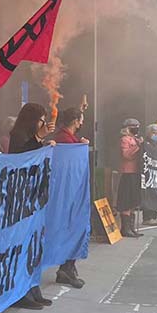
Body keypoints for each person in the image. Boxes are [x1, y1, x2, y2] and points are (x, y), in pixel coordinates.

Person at [9, 103, 58, 306]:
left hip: (34, 195)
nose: (43, 124)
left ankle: (32, 285)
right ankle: (21, 291)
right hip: (21, 196)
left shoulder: (31, 136)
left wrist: (44, 145)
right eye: (40, 119)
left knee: (34, 243)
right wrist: (39, 139)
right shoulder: (18, 135)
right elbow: (21, 157)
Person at [49, 106, 89, 288]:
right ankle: (66, 268)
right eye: (81, 119)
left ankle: (68, 267)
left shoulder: (69, 139)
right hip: (67, 193)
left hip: (73, 191)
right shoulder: (63, 140)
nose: (82, 123)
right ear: (75, 121)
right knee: (71, 228)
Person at [117, 118, 145, 237]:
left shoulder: (135, 139)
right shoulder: (124, 140)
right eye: (134, 126)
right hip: (128, 172)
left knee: (133, 200)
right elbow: (126, 155)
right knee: (126, 200)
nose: (136, 128)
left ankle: (131, 227)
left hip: (136, 172)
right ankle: (125, 228)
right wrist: (137, 147)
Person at [141, 124, 157, 227]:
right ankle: (147, 217)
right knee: (148, 193)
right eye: (153, 133)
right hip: (148, 172)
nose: (156, 135)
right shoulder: (145, 144)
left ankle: (154, 217)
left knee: (156, 193)